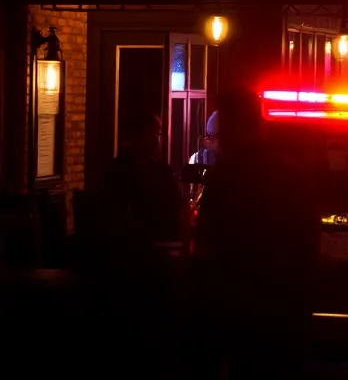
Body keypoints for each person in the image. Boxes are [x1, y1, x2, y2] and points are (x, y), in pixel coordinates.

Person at [191, 88, 317, 377]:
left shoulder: (226, 177)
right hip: (281, 307)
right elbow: (307, 245)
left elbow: (207, 250)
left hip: (238, 308)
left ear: (233, 125)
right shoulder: (292, 175)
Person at [100, 111, 190, 376]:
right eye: (154, 133)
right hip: (143, 265)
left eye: (158, 134)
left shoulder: (131, 170)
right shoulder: (129, 172)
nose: (157, 140)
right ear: (137, 137)